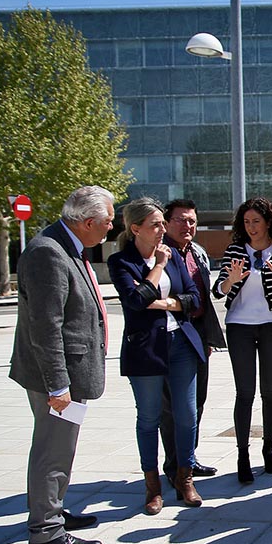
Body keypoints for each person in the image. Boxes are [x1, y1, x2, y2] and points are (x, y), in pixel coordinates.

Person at [10, 186, 114, 544]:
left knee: (60, 448)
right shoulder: (48, 253)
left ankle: (52, 511)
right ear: (88, 222)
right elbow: (45, 326)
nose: (110, 228)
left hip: (67, 375)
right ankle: (46, 533)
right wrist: (58, 384)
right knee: (52, 450)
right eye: (108, 221)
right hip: (55, 379)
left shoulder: (66, 245)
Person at [108, 198, 207, 513]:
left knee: (187, 414)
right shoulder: (121, 262)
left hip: (180, 342)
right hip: (145, 348)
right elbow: (136, 301)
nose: (163, 230)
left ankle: (185, 478)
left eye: (164, 223)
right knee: (149, 418)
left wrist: (165, 302)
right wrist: (159, 267)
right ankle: (152, 486)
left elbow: (193, 297)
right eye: (156, 225)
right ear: (136, 228)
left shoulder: (175, 256)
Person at [212, 197, 272, 483]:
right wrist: (230, 280)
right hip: (240, 326)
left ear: (269, 222)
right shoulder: (236, 249)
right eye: (246, 222)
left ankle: (268, 448)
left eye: (256, 222)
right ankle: (243, 454)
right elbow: (218, 291)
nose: (251, 227)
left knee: (270, 390)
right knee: (244, 392)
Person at [158, 199, 226, 484]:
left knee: (197, 401)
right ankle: (174, 466)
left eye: (192, 221)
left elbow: (205, 299)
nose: (188, 226)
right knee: (171, 405)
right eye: (181, 220)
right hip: (171, 335)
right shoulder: (159, 253)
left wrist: (208, 336)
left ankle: (189, 458)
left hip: (197, 334)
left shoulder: (197, 252)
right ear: (166, 222)